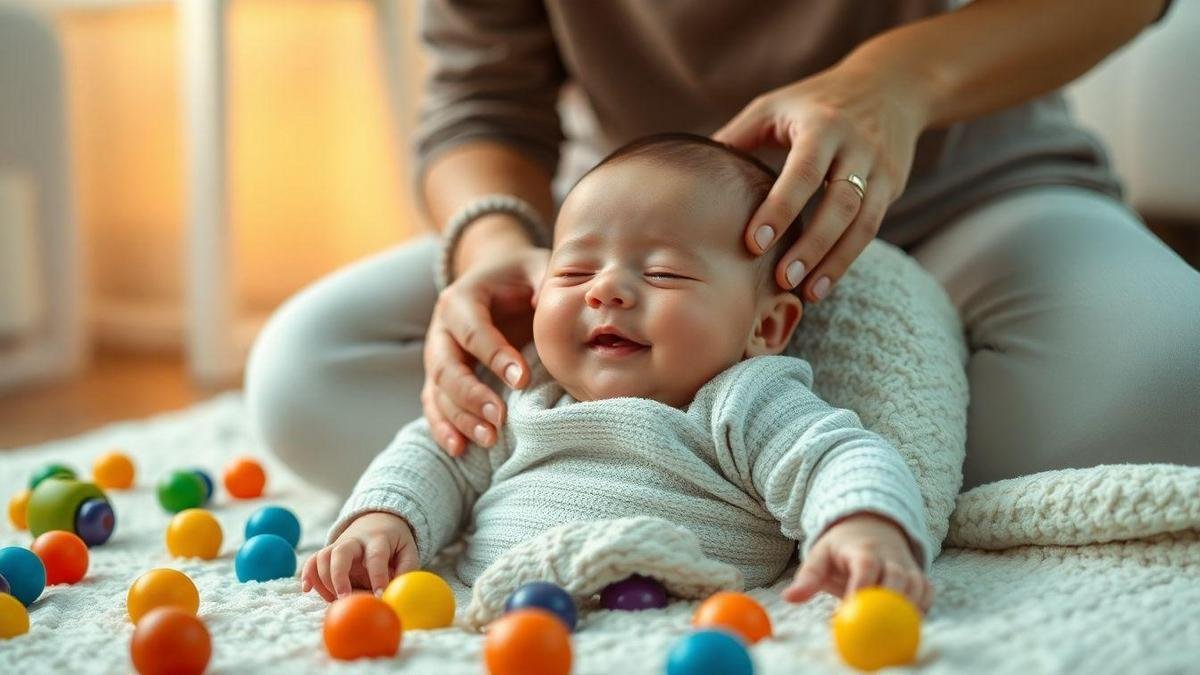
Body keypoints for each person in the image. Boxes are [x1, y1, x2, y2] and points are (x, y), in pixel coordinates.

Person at [245, 2, 1197, 524]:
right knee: (302, 372)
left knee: (1170, 375)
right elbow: (479, 102)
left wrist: (894, 84)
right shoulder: (599, 280)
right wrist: (497, 251)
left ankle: (685, 455)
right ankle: (774, 457)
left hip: (965, 199)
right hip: (621, 233)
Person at [300, 134, 935, 611]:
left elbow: (836, 455)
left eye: (662, 273)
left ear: (764, 327)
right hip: (510, 621)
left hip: (684, 623)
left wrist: (861, 526)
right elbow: (436, 453)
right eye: (574, 272)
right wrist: (385, 520)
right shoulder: (528, 389)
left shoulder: (741, 402)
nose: (606, 291)